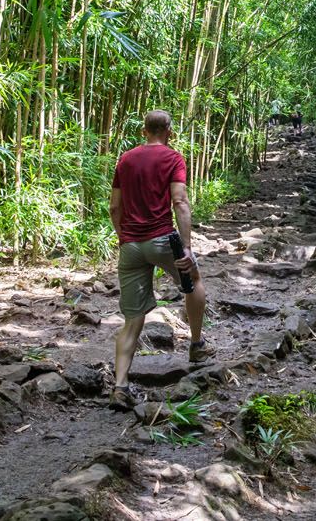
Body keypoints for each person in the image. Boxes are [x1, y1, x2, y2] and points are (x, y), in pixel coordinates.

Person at [108, 110, 211, 410]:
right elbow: (179, 201)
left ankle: (120, 386)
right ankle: (196, 345)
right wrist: (188, 247)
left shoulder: (125, 160)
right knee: (194, 282)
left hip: (131, 245)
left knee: (132, 320)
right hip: (162, 239)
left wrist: (124, 237)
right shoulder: (173, 158)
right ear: (169, 131)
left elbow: (115, 207)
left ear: (144, 131)